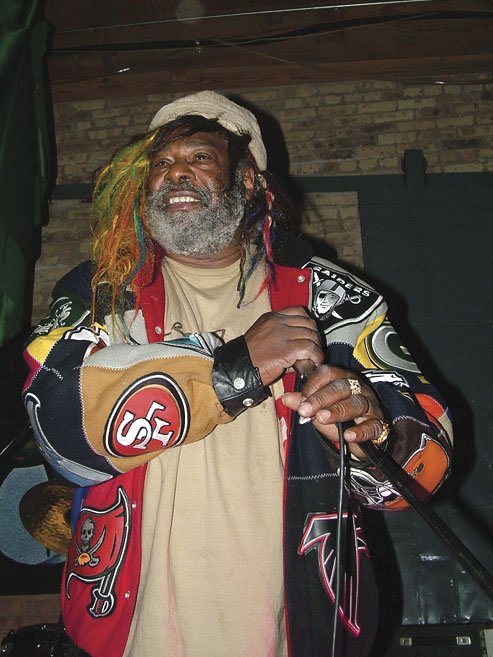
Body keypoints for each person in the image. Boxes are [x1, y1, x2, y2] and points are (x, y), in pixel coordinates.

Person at [23, 91, 453, 657]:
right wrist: (239, 368)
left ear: (248, 181)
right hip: (132, 629)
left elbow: (426, 463)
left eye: (199, 157)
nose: (175, 172)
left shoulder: (332, 296)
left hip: (296, 628)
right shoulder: (101, 290)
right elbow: (57, 428)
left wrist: (370, 432)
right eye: (161, 163)